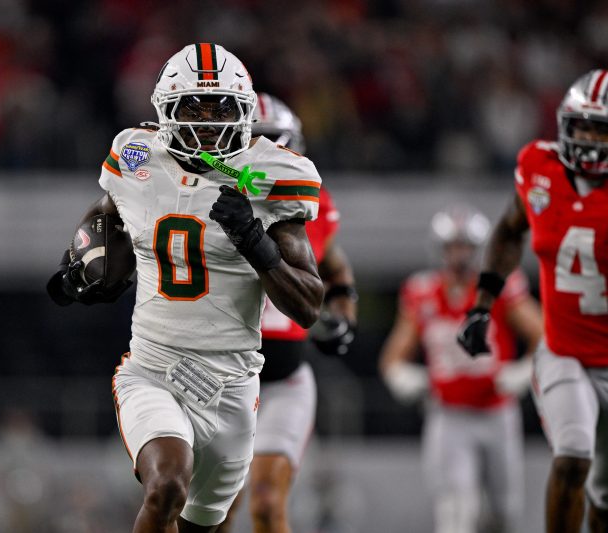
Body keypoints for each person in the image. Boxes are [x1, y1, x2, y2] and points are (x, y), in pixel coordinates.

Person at [47, 43, 325, 533]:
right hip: (153, 367)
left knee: (206, 524)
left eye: (222, 109)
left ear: (244, 113)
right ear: (166, 110)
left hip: (232, 382)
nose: (208, 123)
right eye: (195, 108)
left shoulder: (270, 175)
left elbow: (308, 306)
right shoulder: (137, 154)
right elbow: (105, 213)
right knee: (166, 488)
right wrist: (83, 265)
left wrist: (254, 240)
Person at [458, 69, 608, 533]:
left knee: (605, 499)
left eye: (600, 131)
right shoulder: (538, 166)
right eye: (582, 127)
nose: (588, 140)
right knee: (573, 457)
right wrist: (482, 304)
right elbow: (508, 230)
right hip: (563, 350)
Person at [215, 93, 357, 533]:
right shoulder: (207, 196)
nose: (264, 155)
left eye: (274, 142)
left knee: (266, 502)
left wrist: (344, 314)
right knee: (215, 510)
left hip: (284, 380)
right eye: (253, 142)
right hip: (220, 379)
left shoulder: (311, 202)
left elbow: (334, 265)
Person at [380, 204, 542, 533]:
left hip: (497, 412)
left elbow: (544, 337)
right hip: (448, 415)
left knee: (505, 510)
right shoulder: (422, 292)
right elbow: (393, 358)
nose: (459, 255)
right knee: (455, 509)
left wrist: (526, 370)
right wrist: (403, 378)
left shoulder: (499, 287)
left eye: (466, 246)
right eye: (453, 246)